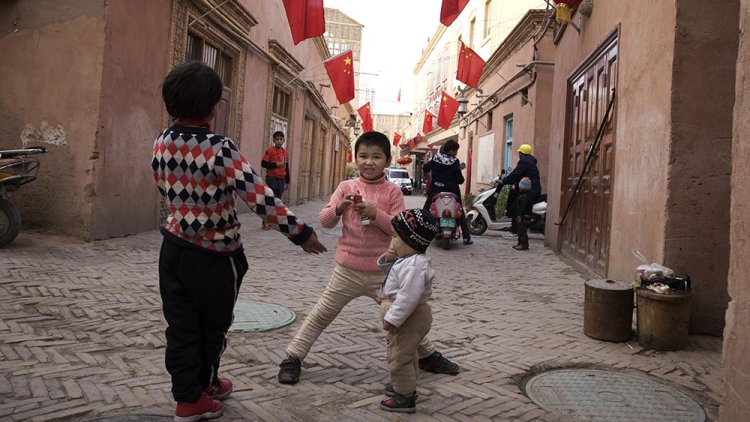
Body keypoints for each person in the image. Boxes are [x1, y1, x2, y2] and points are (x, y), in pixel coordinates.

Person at [152, 61, 327, 422]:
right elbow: (259, 196)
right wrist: (300, 233)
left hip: (173, 250)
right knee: (213, 327)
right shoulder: (220, 147)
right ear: (214, 105)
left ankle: (190, 394)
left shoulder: (161, 142)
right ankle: (200, 392)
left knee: (181, 326)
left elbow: (167, 190)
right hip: (216, 257)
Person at [277, 131, 459, 385]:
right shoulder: (345, 187)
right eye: (363, 156)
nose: (368, 162)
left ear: (386, 160)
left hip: (385, 273)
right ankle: (293, 357)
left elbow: (399, 229)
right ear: (356, 158)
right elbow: (325, 221)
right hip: (346, 270)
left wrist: (375, 213)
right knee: (321, 314)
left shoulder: (393, 192)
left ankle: (427, 354)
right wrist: (338, 208)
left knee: (403, 316)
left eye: (376, 157)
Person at [378, 208, 438, 413]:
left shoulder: (414, 266)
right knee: (408, 353)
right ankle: (405, 385)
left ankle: (404, 396)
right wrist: (390, 258)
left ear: (410, 240)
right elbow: (392, 280)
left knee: (398, 357)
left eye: (395, 236)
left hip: (408, 318)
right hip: (407, 316)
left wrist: (393, 319)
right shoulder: (408, 260)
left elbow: (408, 298)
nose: (392, 241)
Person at [422, 140, 473, 245]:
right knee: (460, 212)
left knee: (426, 211)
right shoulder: (455, 162)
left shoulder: (435, 159)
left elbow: (425, 167)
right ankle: (466, 238)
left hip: (435, 190)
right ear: (451, 150)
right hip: (452, 190)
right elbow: (460, 180)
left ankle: (420, 233)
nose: (456, 153)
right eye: (455, 151)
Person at [501, 143, 541, 251]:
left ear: (521, 154)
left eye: (519, 153)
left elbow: (515, 174)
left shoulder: (524, 162)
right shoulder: (531, 162)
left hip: (528, 192)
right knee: (520, 214)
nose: (518, 154)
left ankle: (522, 242)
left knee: (520, 216)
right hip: (533, 190)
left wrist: (503, 181)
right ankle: (520, 240)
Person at [260, 131, 290, 230]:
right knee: (270, 200)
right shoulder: (270, 151)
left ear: (283, 140)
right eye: (277, 139)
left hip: (281, 179)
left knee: (278, 201)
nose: (279, 141)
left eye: (281, 139)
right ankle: (265, 222)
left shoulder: (285, 152)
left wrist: (287, 181)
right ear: (274, 140)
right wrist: (276, 165)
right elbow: (263, 163)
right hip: (271, 178)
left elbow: (286, 167)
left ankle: (273, 221)